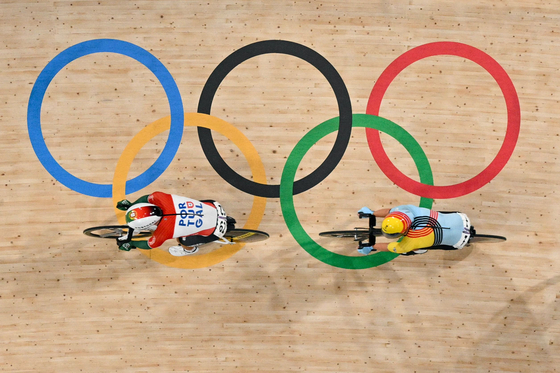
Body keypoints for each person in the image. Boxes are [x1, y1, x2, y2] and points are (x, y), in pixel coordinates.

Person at [115, 191, 235, 257]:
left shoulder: (164, 232)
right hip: (214, 206)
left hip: (215, 231)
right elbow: (145, 199)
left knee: (181, 239)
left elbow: (149, 245)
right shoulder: (158, 197)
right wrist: (132, 205)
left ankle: (189, 250)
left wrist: (130, 243)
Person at [356, 205, 473, 255]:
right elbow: (390, 212)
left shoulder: (411, 241)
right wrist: (372, 214)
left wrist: (371, 246)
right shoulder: (408, 209)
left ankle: (419, 249)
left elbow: (390, 246)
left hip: (458, 242)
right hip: (461, 218)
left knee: (407, 250)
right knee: (436, 217)